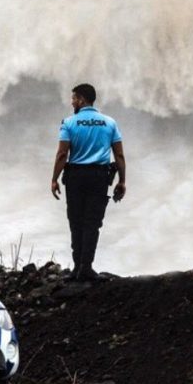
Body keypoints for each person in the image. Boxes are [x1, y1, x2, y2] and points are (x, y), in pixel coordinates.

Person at [51, 83, 126, 281]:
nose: (72, 102)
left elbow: (62, 154)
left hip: (75, 177)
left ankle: (77, 267)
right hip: (99, 177)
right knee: (92, 223)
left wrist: (54, 179)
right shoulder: (110, 123)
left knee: (75, 222)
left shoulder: (69, 123)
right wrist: (122, 181)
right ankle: (86, 267)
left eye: (74, 98)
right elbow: (119, 155)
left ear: (82, 100)